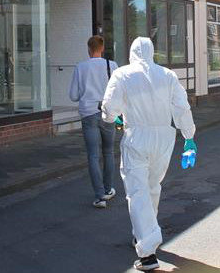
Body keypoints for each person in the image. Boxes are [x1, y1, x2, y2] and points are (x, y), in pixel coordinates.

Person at [101, 37, 196, 271]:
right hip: (164, 137)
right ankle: (143, 235)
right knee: (152, 188)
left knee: (137, 192)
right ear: (153, 52)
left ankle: (147, 254)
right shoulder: (168, 75)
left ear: (131, 52)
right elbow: (182, 107)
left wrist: (112, 118)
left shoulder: (122, 74)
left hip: (137, 136)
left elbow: (109, 107)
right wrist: (189, 136)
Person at [69, 35, 119, 209]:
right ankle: (108, 188)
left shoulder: (80, 67)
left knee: (93, 155)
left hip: (88, 113)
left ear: (88, 49)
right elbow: (118, 91)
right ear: (102, 48)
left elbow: (73, 95)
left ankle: (99, 197)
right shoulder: (112, 66)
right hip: (108, 113)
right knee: (108, 152)